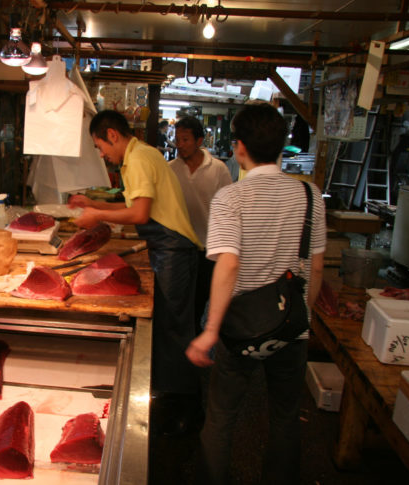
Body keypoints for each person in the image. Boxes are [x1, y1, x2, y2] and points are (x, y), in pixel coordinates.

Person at [185, 103, 326, 485]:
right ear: (282, 147)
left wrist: (211, 330)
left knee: (222, 416)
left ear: (239, 147)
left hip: (240, 325)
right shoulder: (311, 196)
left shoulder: (231, 198)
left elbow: (228, 265)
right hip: (291, 325)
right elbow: (314, 267)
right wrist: (303, 321)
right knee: (284, 416)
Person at [68, 109, 205, 435]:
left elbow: (140, 214)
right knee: (168, 325)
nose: (103, 154)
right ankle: (172, 401)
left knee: (174, 328)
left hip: (175, 249)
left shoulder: (140, 157)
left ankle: (186, 413)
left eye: (101, 146)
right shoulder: (136, 158)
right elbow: (131, 205)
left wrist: (97, 216)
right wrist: (93, 205)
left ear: (112, 135)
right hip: (167, 247)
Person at [169, 116, 232, 329]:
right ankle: (181, 339)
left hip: (208, 248)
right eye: (177, 139)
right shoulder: (170, 168)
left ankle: (194, 338)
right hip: (179, 247)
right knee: (179, 298)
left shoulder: (218, 169)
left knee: (199, 299)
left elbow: (228, 208)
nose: (180, 145)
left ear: (199, 141)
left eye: (185, 139)